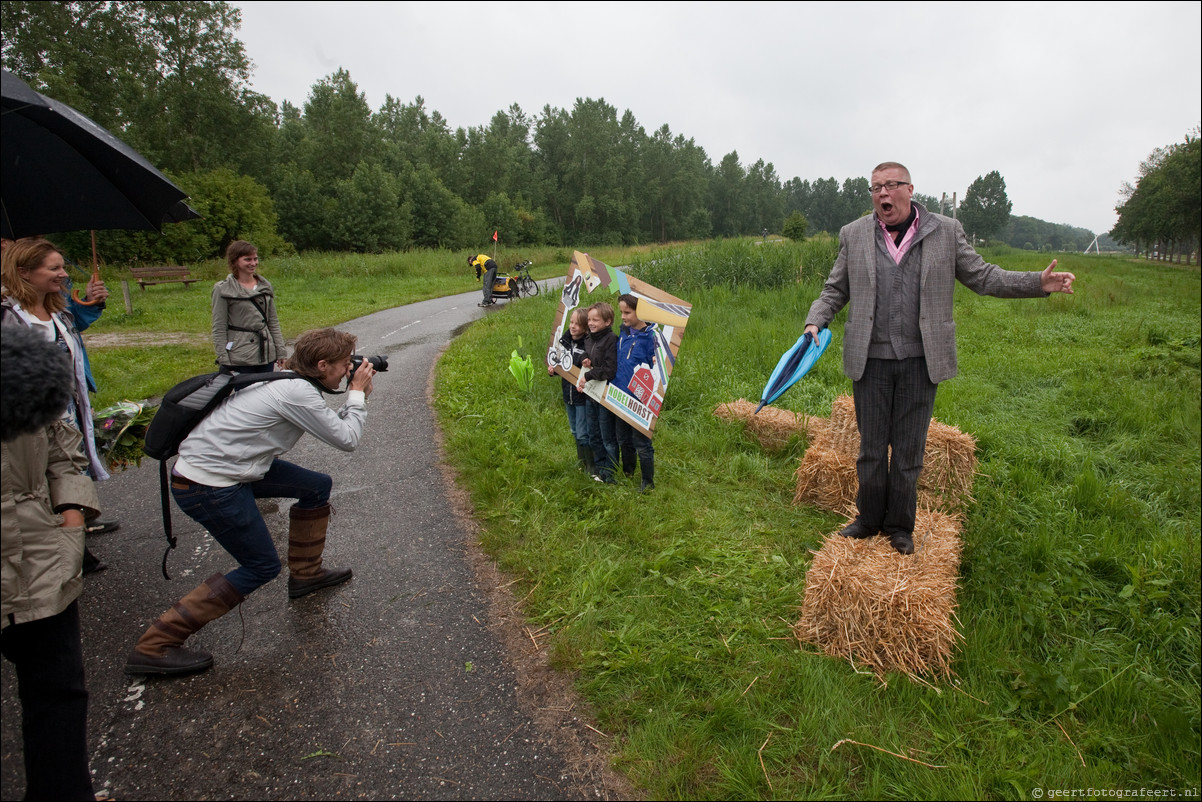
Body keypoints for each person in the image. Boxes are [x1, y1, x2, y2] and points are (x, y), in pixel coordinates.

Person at [803, 161, 1075, 555]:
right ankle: (867, 520)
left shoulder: (945, 232)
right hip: (871, 360)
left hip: (920, 360)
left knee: (910, 451)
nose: (883, 194)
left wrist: (1038, 283)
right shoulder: (854, 234)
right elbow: (834, 289)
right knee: (872, 449)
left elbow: (984, 277)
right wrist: (815, 322)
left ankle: (899, 526)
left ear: (910, 190)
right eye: (876, 187)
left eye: (891, 185)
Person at [123, 327, 375, 677]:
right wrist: (357, 395)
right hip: (207, 484)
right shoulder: (297, 392)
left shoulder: (285, 377)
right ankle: (154, 646)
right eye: (346, 363)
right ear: (321, 365)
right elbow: (347, 439)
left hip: (229, 468)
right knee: (261, 566)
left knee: (317, 486)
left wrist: (349, 390)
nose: (350, 369)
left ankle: (306, 575)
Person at [2, 324, 102, 801]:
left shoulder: (18, 362)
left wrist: (70, 512)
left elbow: (62, 445)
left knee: (59, 690)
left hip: (40, 551)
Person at [212, 240, 285, 374]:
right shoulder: (223, 289)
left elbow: (273, 322)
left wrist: (280, 351)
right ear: (235, 261)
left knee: (268, 393)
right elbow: (219, 327)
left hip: (266, 354)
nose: (253, 263)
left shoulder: (265, 286)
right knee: (246, 394)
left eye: (255, 259)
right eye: (247, 259)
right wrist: (223, 358)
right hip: (241, 355)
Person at [613, 294, 658, 492]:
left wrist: (656, 363)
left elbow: (657, 369)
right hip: (619, 394)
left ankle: (647, 482)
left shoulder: (650, 338)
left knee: (641, 441)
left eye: (627, 312)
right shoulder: (624, 333)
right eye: (621, 311)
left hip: (639, 400)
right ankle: (628, 471)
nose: (622, 316)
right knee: (623, 438)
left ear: (641, 312)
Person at [577, 302, 618, 484]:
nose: (591, 323)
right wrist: (583, 358)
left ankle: (610, 474)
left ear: (608, 322)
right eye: (589, 319)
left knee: (606, 436)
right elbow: (584, 351)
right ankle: (600, 469)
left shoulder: (611, 340)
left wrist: (589, 375)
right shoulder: (589, 337)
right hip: (590, 394)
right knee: (593, 433)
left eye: (596, 320)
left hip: (604, 395)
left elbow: (610, 369)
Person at [548, 308, 592, 473]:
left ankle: (591, 466)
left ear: (585, 328)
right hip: (568, 395)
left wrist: (586, 362)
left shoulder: (587, 345)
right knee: (574, 431)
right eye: (571, 322)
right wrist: (553, 370)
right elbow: (560, 363)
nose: (573, 326)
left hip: (581, 397)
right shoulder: (563, 342)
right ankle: (581, 463)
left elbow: (588, 368)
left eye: (577, 324)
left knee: (582, 433)